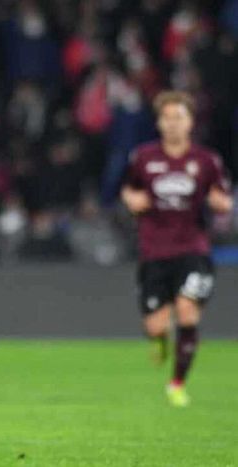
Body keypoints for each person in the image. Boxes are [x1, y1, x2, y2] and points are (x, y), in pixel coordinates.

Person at [121, 90, 232, 407]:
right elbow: (128, 190)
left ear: (190, 122)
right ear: (159, 122)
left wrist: (221, 203)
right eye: (167, 117)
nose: (172, 123)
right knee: (156, 325)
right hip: (154, 251)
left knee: (186, 311)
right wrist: (131, 200)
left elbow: (224, 199)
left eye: (178, 117)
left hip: (192, 249)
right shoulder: (143, 158)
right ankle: (159, 340)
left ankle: (177, 384)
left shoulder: (206, 160)